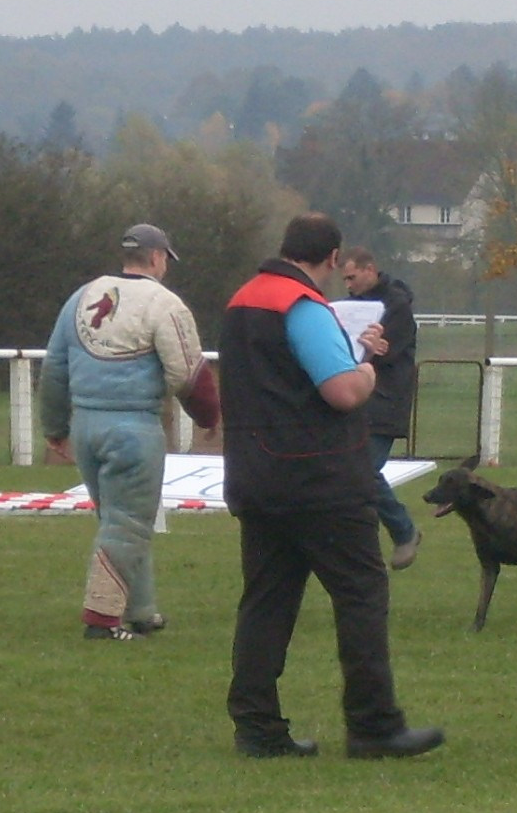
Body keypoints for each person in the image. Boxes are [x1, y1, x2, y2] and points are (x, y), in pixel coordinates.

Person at [221, 213, 446, 760]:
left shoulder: (242, 301)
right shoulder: (302, 305)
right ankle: (374, 726)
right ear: (331, 258)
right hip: (320, 479)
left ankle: (257, 727)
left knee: (266, 602)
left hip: (256, 474)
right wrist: (368, 369)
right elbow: (342, 390)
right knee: (361, 594)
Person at [40, 223, 220, 642]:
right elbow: (186, 374)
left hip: (86, 427)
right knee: (128, 525)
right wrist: (208, 416)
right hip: (133, 429)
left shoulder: (81, 298)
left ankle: (141, 611)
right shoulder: (164, 304)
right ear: (157, 258)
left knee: (117, 518)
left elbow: (54, 367)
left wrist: (55, 426)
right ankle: (102, 621)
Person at [338, 245, 424, 570]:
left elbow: (385, 353)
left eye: (352, 277)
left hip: (385, 403)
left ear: (370, 269)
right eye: (345, 279)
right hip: (357, 398)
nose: (348, 285)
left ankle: (404, 530)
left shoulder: (397, 306)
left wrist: (372, 349)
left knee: (363, 470)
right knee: (350, 473)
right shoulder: (351, 307)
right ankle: (358, 543)